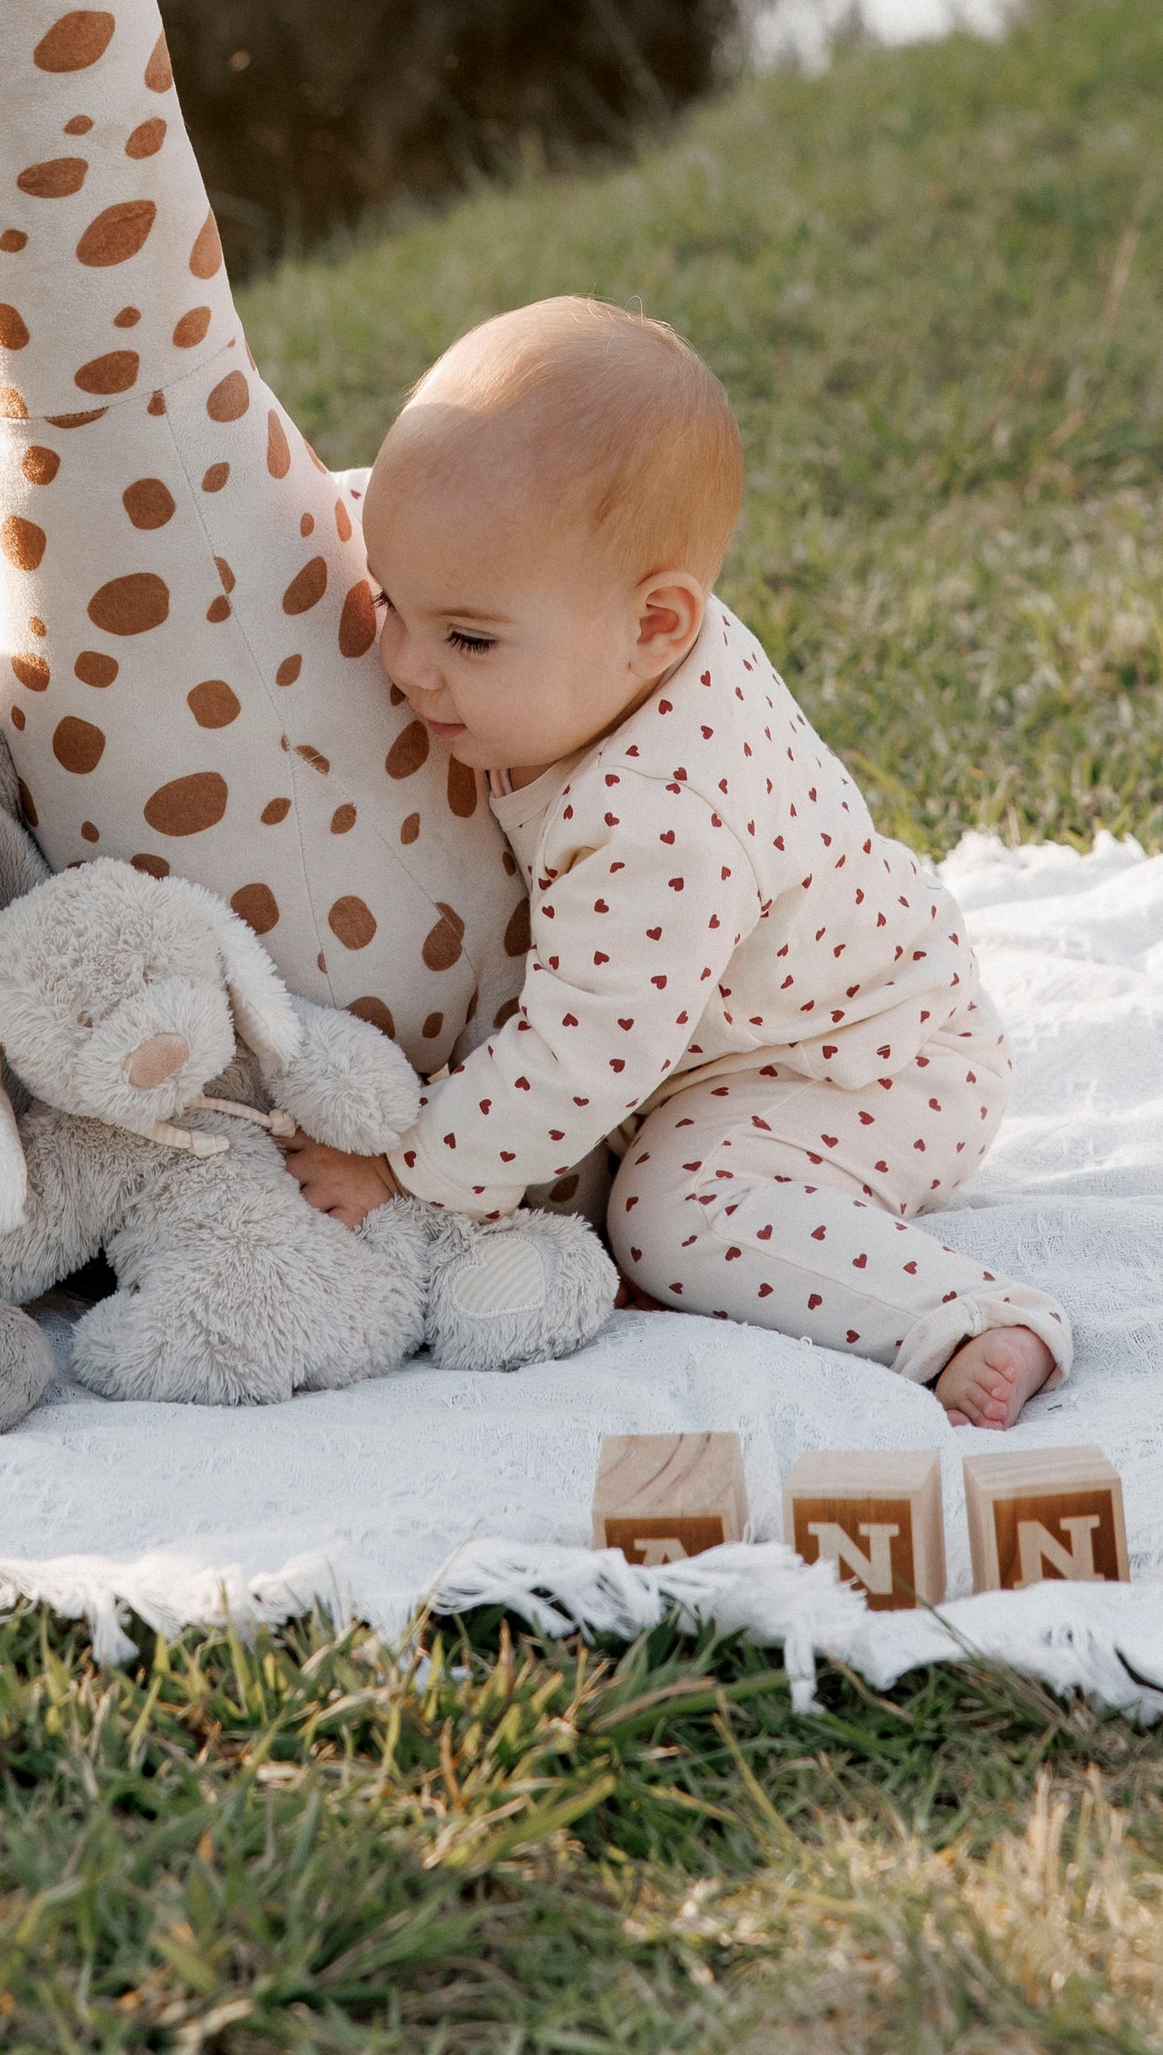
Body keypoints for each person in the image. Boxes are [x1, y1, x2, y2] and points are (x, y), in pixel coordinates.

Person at [281, 297, 1067, 1428]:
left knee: (670, 1214)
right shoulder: (588, 615)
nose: (405, 661)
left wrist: (404, 1165)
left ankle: (969, 1318)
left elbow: (581, 1058)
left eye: (466, 638)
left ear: (657, 625)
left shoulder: (655, 821)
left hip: (864, 1062)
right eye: (389, 596)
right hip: (780, 1013)